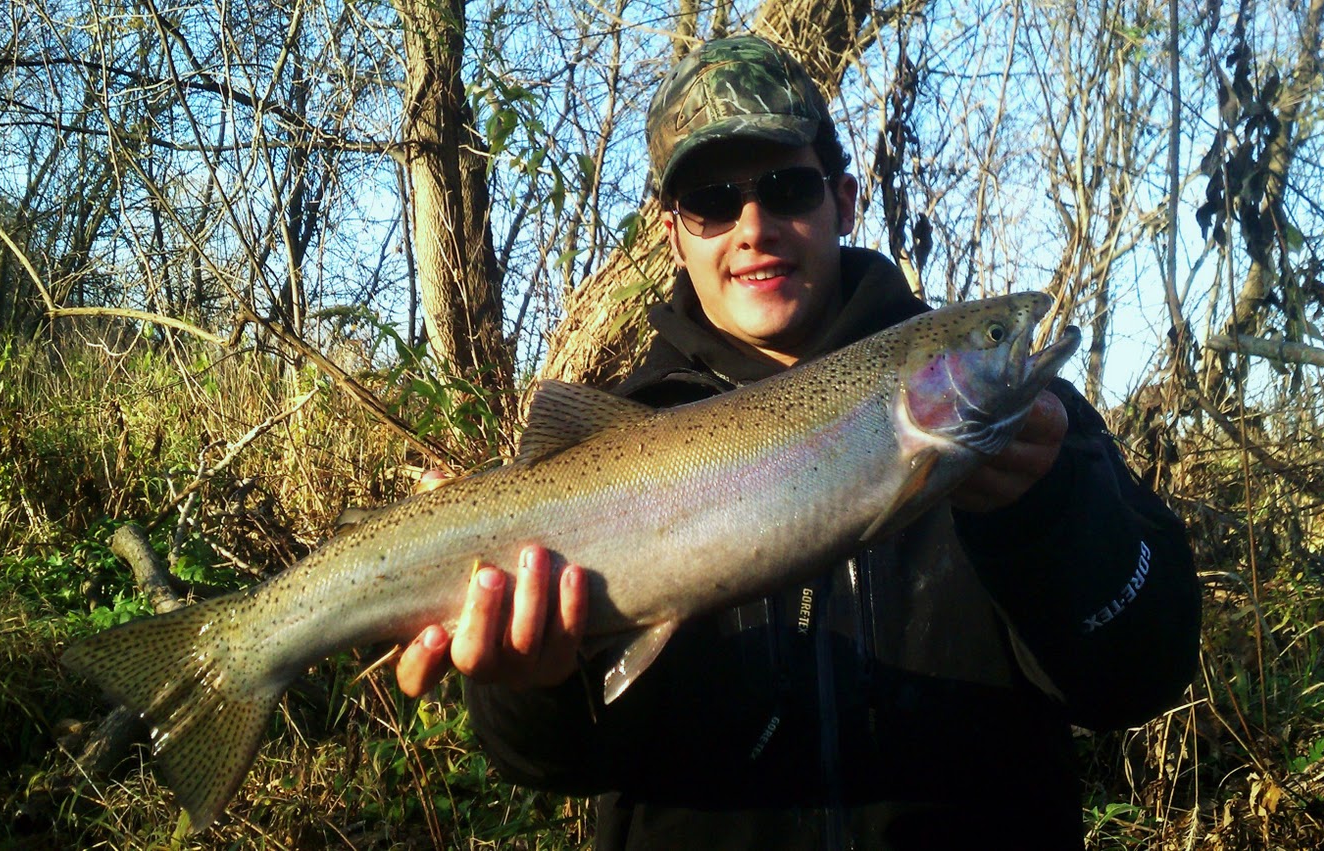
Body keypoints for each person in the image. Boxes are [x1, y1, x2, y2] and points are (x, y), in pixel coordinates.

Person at [394, 34, 1200, 850]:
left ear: (842, 201)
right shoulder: (623, 423)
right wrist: (534, 688)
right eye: (711, 201)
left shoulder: (1038, 433)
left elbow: (1144, 674)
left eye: (787, 187)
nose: (753, 228)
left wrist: (1050, 514)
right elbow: (552, 763)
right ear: (672, 233)